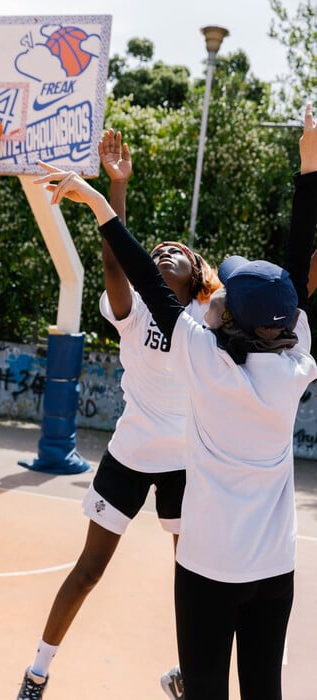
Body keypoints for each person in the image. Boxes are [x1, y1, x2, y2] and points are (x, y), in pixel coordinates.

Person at [32, 102, 317, 699]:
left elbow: (137, 270)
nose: (167, 254)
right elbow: (293, 270)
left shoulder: (202, 354)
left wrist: (105, 199)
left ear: (219, 304)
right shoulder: (293, 362)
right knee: (264, 686)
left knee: (205, 683)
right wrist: (309, 166)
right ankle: (39, 669)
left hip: (211, 565)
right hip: (271, 566)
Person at [16, 132, 221, 700]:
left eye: (178, 250)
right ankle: (36, 672)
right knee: (89, 570)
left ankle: (191, 675)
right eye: (156, 251)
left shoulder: (208, 318)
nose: (165, 250)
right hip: (130, 456)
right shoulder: (131, 311)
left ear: (197, 274)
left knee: (194, 579)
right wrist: (117, 187)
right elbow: (115, 256)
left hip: (185, 463)